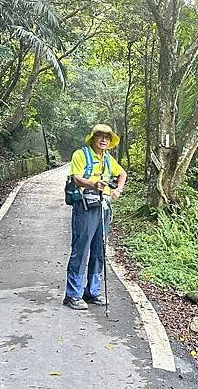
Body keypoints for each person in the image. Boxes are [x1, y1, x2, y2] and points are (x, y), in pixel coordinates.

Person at [63, 124, 127, 310]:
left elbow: (122, 173)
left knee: (99, 250)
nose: (104, 140)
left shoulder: (108, 158)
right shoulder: (80, 154)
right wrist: (93, 184)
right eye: (100, 136)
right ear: (93, 138)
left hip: (103, 208)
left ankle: (93, 292)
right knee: (81, 250)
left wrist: (118, 190)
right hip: (85, 207)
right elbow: (76, 178)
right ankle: (72, 295)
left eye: (107, 137)